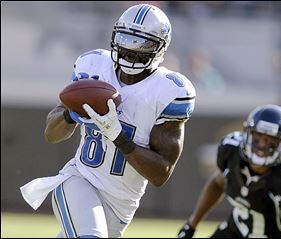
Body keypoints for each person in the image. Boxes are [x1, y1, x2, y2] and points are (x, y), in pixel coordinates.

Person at [20, 4, 196, 238]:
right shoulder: (94, 67)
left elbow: (160, 174)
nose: (130, 50)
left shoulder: (169, 91)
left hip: (122, 203)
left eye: (144, 44)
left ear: (161, 48)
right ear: (115, 37)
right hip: (79, 180)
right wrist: (71, 115)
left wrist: (118, 135)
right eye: (126, 39)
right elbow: (51, 134)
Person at [178, 104, 281, 238]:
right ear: (248, 133)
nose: (262, 145)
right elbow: (218, 183)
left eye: (271, 140)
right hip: (234, 231)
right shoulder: (232, 151)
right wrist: (192, 224)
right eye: (258, 136)